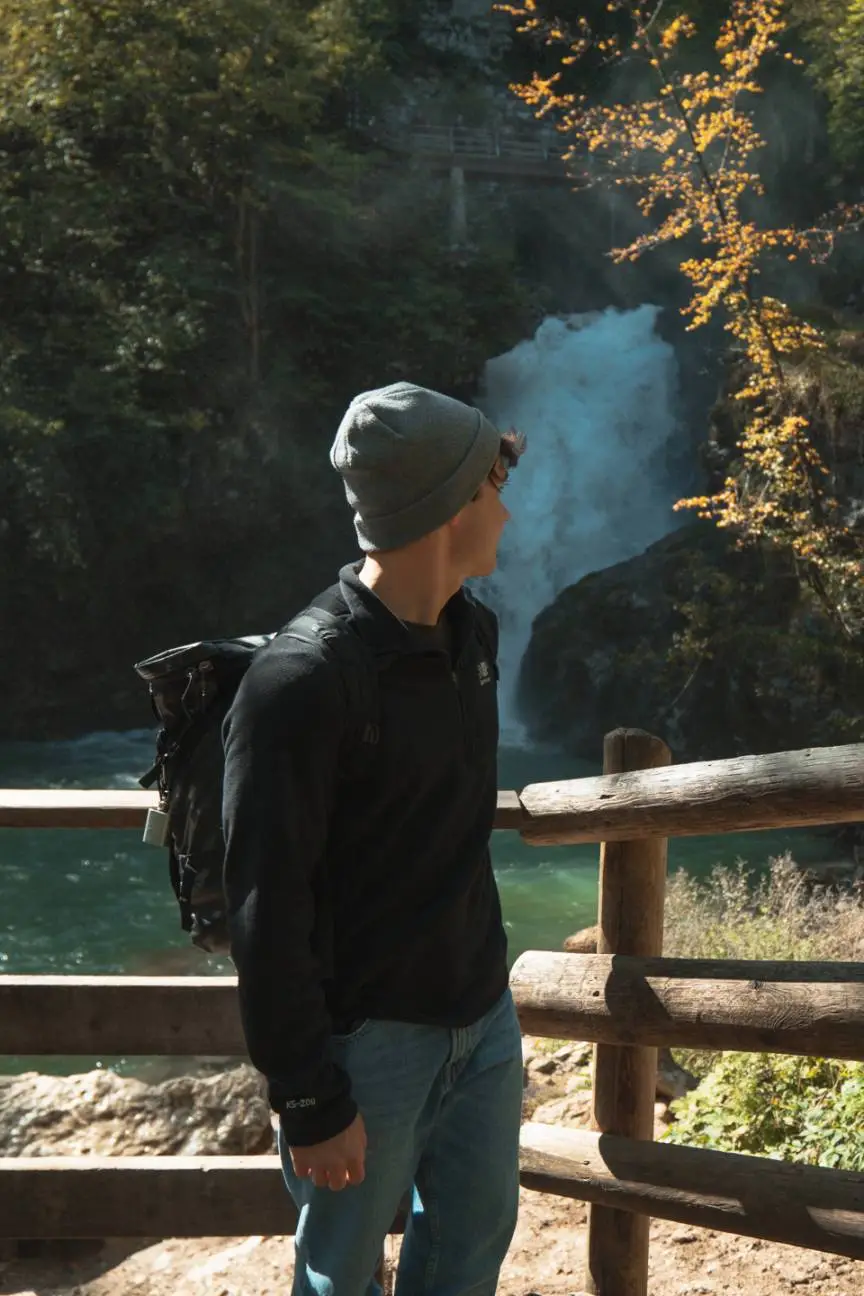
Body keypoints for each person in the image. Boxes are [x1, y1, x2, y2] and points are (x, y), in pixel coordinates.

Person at [222, 381, 525, 1295]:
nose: (506, 511)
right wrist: (308, 1092)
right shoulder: (301, 682)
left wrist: (491, 1013)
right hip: (367, 1047)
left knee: (468, 1260)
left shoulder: (475, 636)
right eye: (490, 488)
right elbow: (264, 906)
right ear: (445, 508)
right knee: (339, 1279)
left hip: (483, 1023)